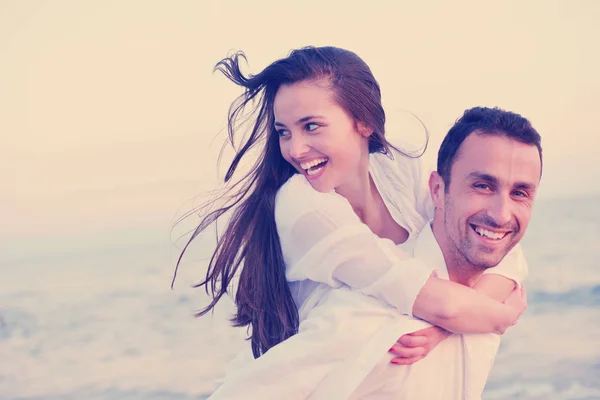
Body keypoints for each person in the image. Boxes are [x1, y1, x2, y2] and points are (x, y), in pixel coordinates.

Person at [173, 46, 529, 398]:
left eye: (311, 126)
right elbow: (440, 302)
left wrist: (442, 330)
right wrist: (497, 317)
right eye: (284, 132)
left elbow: (492, 250)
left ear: (364, 122)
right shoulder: (303, 204)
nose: (295, 149)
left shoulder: (399, 169)